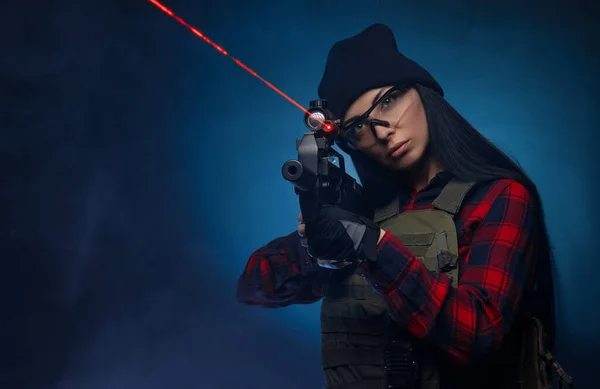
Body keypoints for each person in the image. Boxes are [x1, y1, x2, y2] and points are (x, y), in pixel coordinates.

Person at [236, 24, 567, 389]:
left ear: (422, 93)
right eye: (360, 126)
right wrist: (316, 247)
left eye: (388, 101)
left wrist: (372, 245)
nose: (382, 131)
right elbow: (253, 286)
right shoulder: (369, 211)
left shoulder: (498, 197)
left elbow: (477, 334)